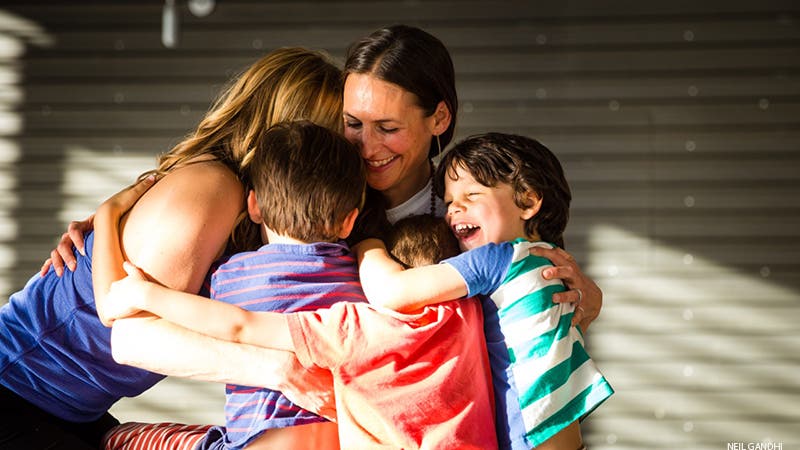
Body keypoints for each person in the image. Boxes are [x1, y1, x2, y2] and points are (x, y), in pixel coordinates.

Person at [46, 24, 604, 447]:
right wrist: (111, 223)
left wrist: (585, 298)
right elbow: (157, 323)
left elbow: (530, 301)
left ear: (439, 119)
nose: (366, 147)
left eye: (388, 128)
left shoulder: (466, 207)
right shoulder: (308, 199)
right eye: (352, 124)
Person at [0, 47, 345, 450]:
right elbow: (128, 331)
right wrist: (280, 371)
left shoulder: (250, 213)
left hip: (69, 407)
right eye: (341, 132)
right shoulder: (213, 189)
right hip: (17, 390)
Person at [101, 190, 497, 450]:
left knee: (121, 438)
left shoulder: (356, 326)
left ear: (254, 203)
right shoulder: (471, 314)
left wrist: (144, 290)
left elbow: (239, 324)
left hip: (250, 439)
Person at [354, 132, 614, 450]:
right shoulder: (548, 261)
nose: (454, 210)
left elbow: (391, 291)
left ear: (528, 201)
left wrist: (366, 241)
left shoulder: (498, 259)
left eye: (472, 195)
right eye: (449, 202)